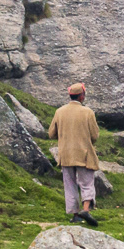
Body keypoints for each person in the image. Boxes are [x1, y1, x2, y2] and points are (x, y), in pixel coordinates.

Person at [48, 82, 100, 225]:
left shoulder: (59, 112)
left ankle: (75, 215)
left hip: (66, 155)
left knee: (69, 184)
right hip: (83, 154)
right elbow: (95, 135)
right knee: (86, 182)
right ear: (81, 96)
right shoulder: (88, 112)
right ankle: (86, 210)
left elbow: (51, 134)